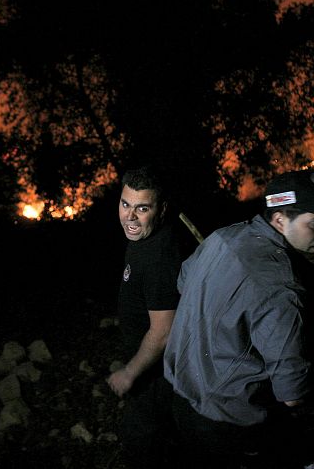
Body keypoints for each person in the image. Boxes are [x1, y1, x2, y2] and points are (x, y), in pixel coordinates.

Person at [163, 169, 314, 469]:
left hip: (181, 403)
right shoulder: (282, 290)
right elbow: (292, 394)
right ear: (280, 220)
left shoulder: (221, 237)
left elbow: (184, 282)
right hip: (232, 429)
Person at [106, 165, 185, 469]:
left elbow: (164, 330)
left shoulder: (158, 256)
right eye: (125, 204)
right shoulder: (140, 239)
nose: (130, 216)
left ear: (160, 209)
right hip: (146, 369)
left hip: (155, 376)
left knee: (145, 447)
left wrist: (130, 372)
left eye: (142, 208)